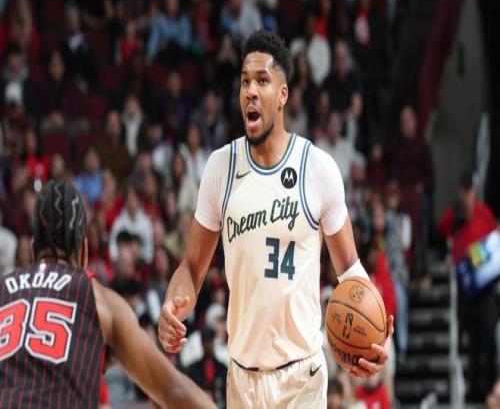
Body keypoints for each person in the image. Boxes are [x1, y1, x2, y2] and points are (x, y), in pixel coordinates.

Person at [159, 30, 393, 408]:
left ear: (283, 95)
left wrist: (375, 334)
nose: (251, 91)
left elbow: (350, 267)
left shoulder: (316, 168)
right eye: (244, 82)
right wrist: (172, 305)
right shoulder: (221, 168)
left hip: (301, 377)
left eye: (262, 81)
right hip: (242, 377)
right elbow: (191, 266)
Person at [0, 180, 215, 408]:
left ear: (33, 249)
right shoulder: (97, 299)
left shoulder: (3, 290)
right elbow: (174, 390)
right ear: (84, 252)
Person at [438, 171, 498, 402]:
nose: (467, 195)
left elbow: (494, 239)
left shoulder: (484, 213)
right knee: (471, 340)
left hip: (486, 286)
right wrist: (457, 221)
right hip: (466, 287)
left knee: (488, 338)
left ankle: (490, 387)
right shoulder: (455, 214)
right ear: (460, 192)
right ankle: (474, 388)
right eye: (464, 191)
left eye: (470, 191)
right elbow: (441, 227)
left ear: (474, 191)